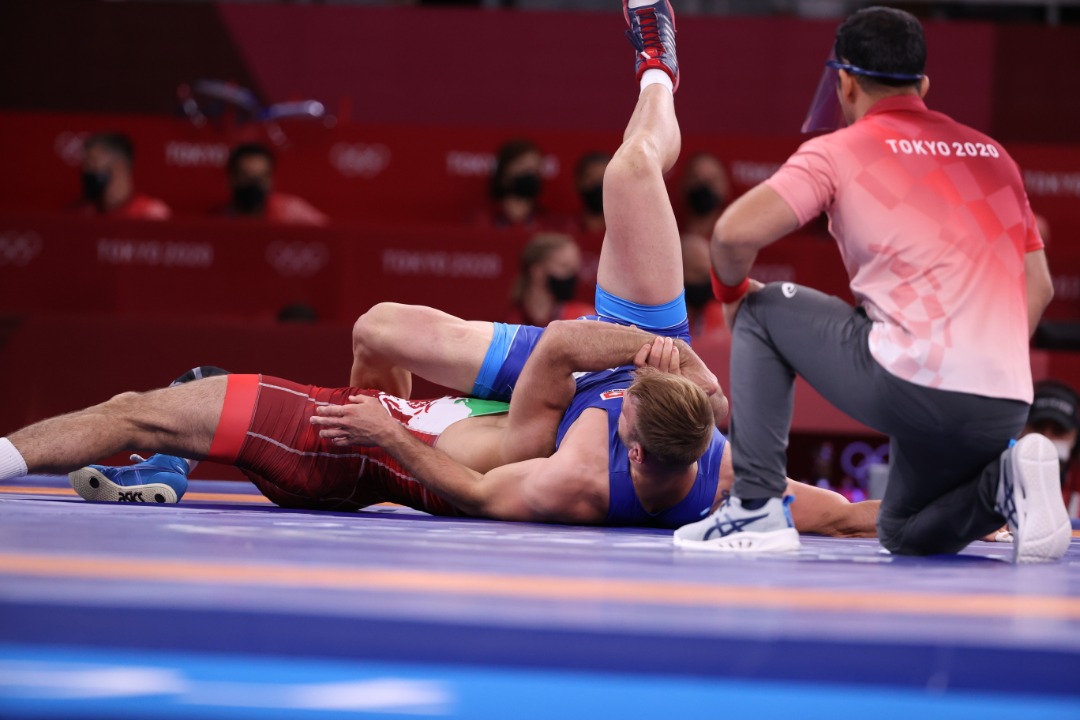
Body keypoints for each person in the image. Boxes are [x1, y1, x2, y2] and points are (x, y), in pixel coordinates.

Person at [10, 0, 873, 539]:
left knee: (154, 410)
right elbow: (843, 514)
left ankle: (135, 448)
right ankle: (658, 70)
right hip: (561, 376)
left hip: (500, 399)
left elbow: (511, 433)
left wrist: (384, 436)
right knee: (629, 172)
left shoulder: (570, 472)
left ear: (635, 441)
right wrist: (951, 500)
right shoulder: (715, 462)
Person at [675, 7, 1068, 563]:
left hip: (913, 381)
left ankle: (756, 505)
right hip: (1003, 400)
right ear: (923, 86)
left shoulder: (839, 150)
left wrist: (732, 296)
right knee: (902, 530)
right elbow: (1040, 286)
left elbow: (733, 234)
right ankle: (1005, 484)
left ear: (845, 83)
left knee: (762, 308)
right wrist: (980, 364)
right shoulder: (994, 157)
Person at [220, 142, 327, 226]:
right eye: (246, 177)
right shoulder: (222, 219)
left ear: (270, 180)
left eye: (261, 178)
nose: (253, 185)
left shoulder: (291, 213)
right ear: (231, 178)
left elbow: (329, 236)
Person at [74, 132, 170, 220]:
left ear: (118, 167)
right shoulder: (83, 213)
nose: (86, 171)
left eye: (91, 164)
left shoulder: (151, 215)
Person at [505, 233, 594, 327]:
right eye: (565, 266)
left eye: (575, 269)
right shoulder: (510, 321)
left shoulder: (582, 318)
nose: (572, 276)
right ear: (538, 271)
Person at [1022, 380, 1080, 518]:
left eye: (1058, 431)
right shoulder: (993, 485)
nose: (1046, 438)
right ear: (1022, 430)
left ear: (1076, 437)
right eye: (1038, 427)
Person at [477, 139, 548, 230]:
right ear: (504, 172)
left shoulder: (546, 222)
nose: (529, 172)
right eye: (522, 165)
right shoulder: (482, 219)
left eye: (535, 168)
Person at [680, 234, 725, 339]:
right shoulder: (660, 321)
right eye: (699, 273)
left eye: (709, 275)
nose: (707, 281)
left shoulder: (718, 316)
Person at [679, 152, 729, 240]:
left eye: (711, 181)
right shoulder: (666, 230)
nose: (704, 186)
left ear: (725, 187)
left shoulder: (733, 240)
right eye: (696, 178)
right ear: (684, 183)